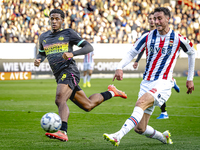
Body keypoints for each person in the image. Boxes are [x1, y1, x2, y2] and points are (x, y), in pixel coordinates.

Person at [103, 7, 195, 147]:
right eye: (155, 19)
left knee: (140, 103)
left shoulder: (177, 38)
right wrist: (119, 67)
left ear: (168, 19)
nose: (157, 22)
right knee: (140, 128)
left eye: (160, 18)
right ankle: (163, 137)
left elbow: (192, 53)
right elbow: (132, 52)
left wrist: (190, 78)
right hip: (146, 82)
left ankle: (118, 136)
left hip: (163, 83)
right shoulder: (147, 36)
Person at [34, 9, 127, 142]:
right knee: (87, 105)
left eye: (57, 19)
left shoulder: (68, 33)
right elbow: (42, 53)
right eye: (52, 18)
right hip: (59, 75)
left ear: (62, 20)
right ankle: (112, 92)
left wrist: (74, 53)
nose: (54, 21)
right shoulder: (43, 37)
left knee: (60, 99)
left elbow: (89, 47)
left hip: (69, 70)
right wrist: (39, 59)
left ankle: (63, 131)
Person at [132, 12, 180, 120]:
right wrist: (137, 60)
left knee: (157, 88)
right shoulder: (146, 34)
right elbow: (141, 48)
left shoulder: (164, 33)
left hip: (163, 66)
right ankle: (172, 82)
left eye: (154, 18)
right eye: (150, 19)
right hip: (151, 64)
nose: (152, 21)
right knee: (153, 89)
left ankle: (164, 111)